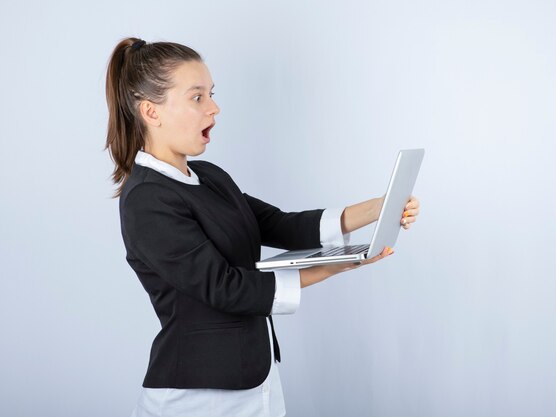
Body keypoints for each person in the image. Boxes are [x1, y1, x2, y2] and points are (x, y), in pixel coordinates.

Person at [105, 37, 420, 417]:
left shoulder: (208, 176)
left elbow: (278, 225)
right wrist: (330, 267)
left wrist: (379, 208)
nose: (215, 108)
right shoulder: (146, 199)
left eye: (212, 94)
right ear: (151, 112)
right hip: (197, 395)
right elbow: (223, 287)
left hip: (254, 376)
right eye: (197, 97)